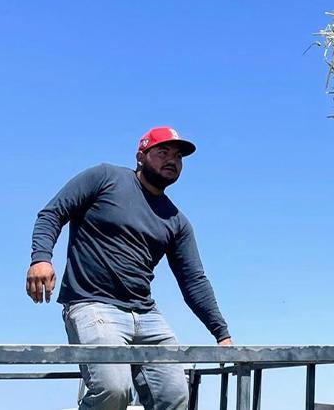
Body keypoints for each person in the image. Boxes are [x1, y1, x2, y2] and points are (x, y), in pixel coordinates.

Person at [26, 126, 232, 410]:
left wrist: (221, 333)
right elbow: (53, 212)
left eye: (178, 156)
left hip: (146, 314)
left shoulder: (176, 221)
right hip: (93, 305)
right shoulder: (105, 178)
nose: (172, 159)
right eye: (162, 152)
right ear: (140, 157)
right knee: (113, 390)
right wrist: (41, 258)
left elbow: (193, 280)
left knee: (175, 396)